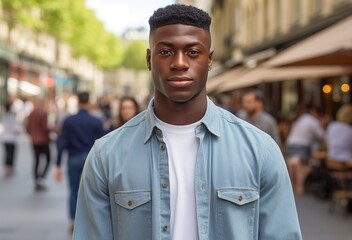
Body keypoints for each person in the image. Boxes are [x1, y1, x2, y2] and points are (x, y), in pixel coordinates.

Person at [73, 4, 302, 240]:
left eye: (193, 52)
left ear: (210, 60)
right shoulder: (106, 155)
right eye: (165, 52)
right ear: (149, 59)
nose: (180, 63)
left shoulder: (260, 151)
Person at [54, 91, 105, 232]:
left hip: (73, 158)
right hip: (90, 159)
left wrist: (58, 164)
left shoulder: (69, 121)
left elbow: (61, 143)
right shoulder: (95, 121)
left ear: (77, 101)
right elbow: (104, 142)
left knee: (73, 189)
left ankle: (73, 220)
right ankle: (89, 221)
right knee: (92, 191)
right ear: (89, 102)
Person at [286, 104, 325, 195]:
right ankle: (299, 187)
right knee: (300, 166)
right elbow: (321, 135)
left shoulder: (301, 118)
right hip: (302, 145)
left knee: (292, 163)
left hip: (291, 142)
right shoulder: (313, 121)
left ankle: (291, 186)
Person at [26, 98, 53, 191]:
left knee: (36, 160)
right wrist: (55, 130)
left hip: (34, 141)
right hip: (43, 141)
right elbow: (45, 128)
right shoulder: (44, 113)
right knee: (48, 159)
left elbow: (28, 127)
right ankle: (41, 177)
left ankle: (37, 179)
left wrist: (32, 135)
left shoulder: (31, 114)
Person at [1, 101, 22, 176]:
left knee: (7, 154)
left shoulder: (4, 116)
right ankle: (10, 167)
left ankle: (7, 167)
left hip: (5, 138)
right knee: (11, 154)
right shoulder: (12, 116)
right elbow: (16, 128)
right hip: (11, 139)